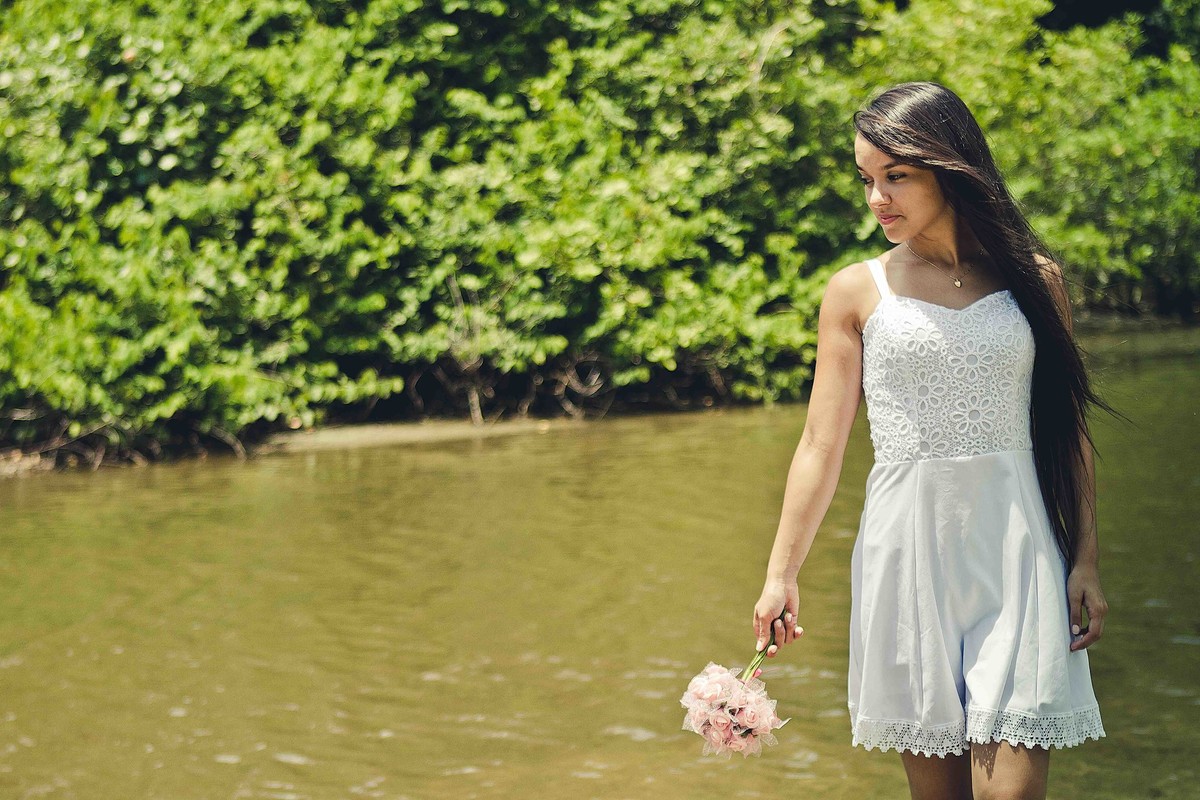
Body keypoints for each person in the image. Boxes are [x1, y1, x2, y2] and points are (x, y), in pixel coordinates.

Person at [750, 82, 1114, 800]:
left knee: (1008, 793)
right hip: (907, 557)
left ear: (948, 168)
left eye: (896, 177)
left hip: (1017, 555)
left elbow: (1069, 429)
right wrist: (780, 574)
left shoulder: (1036, 282)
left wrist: (1086, 559)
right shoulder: (855, 292)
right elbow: (821, 447)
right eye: (867, 180)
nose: (876, 199)